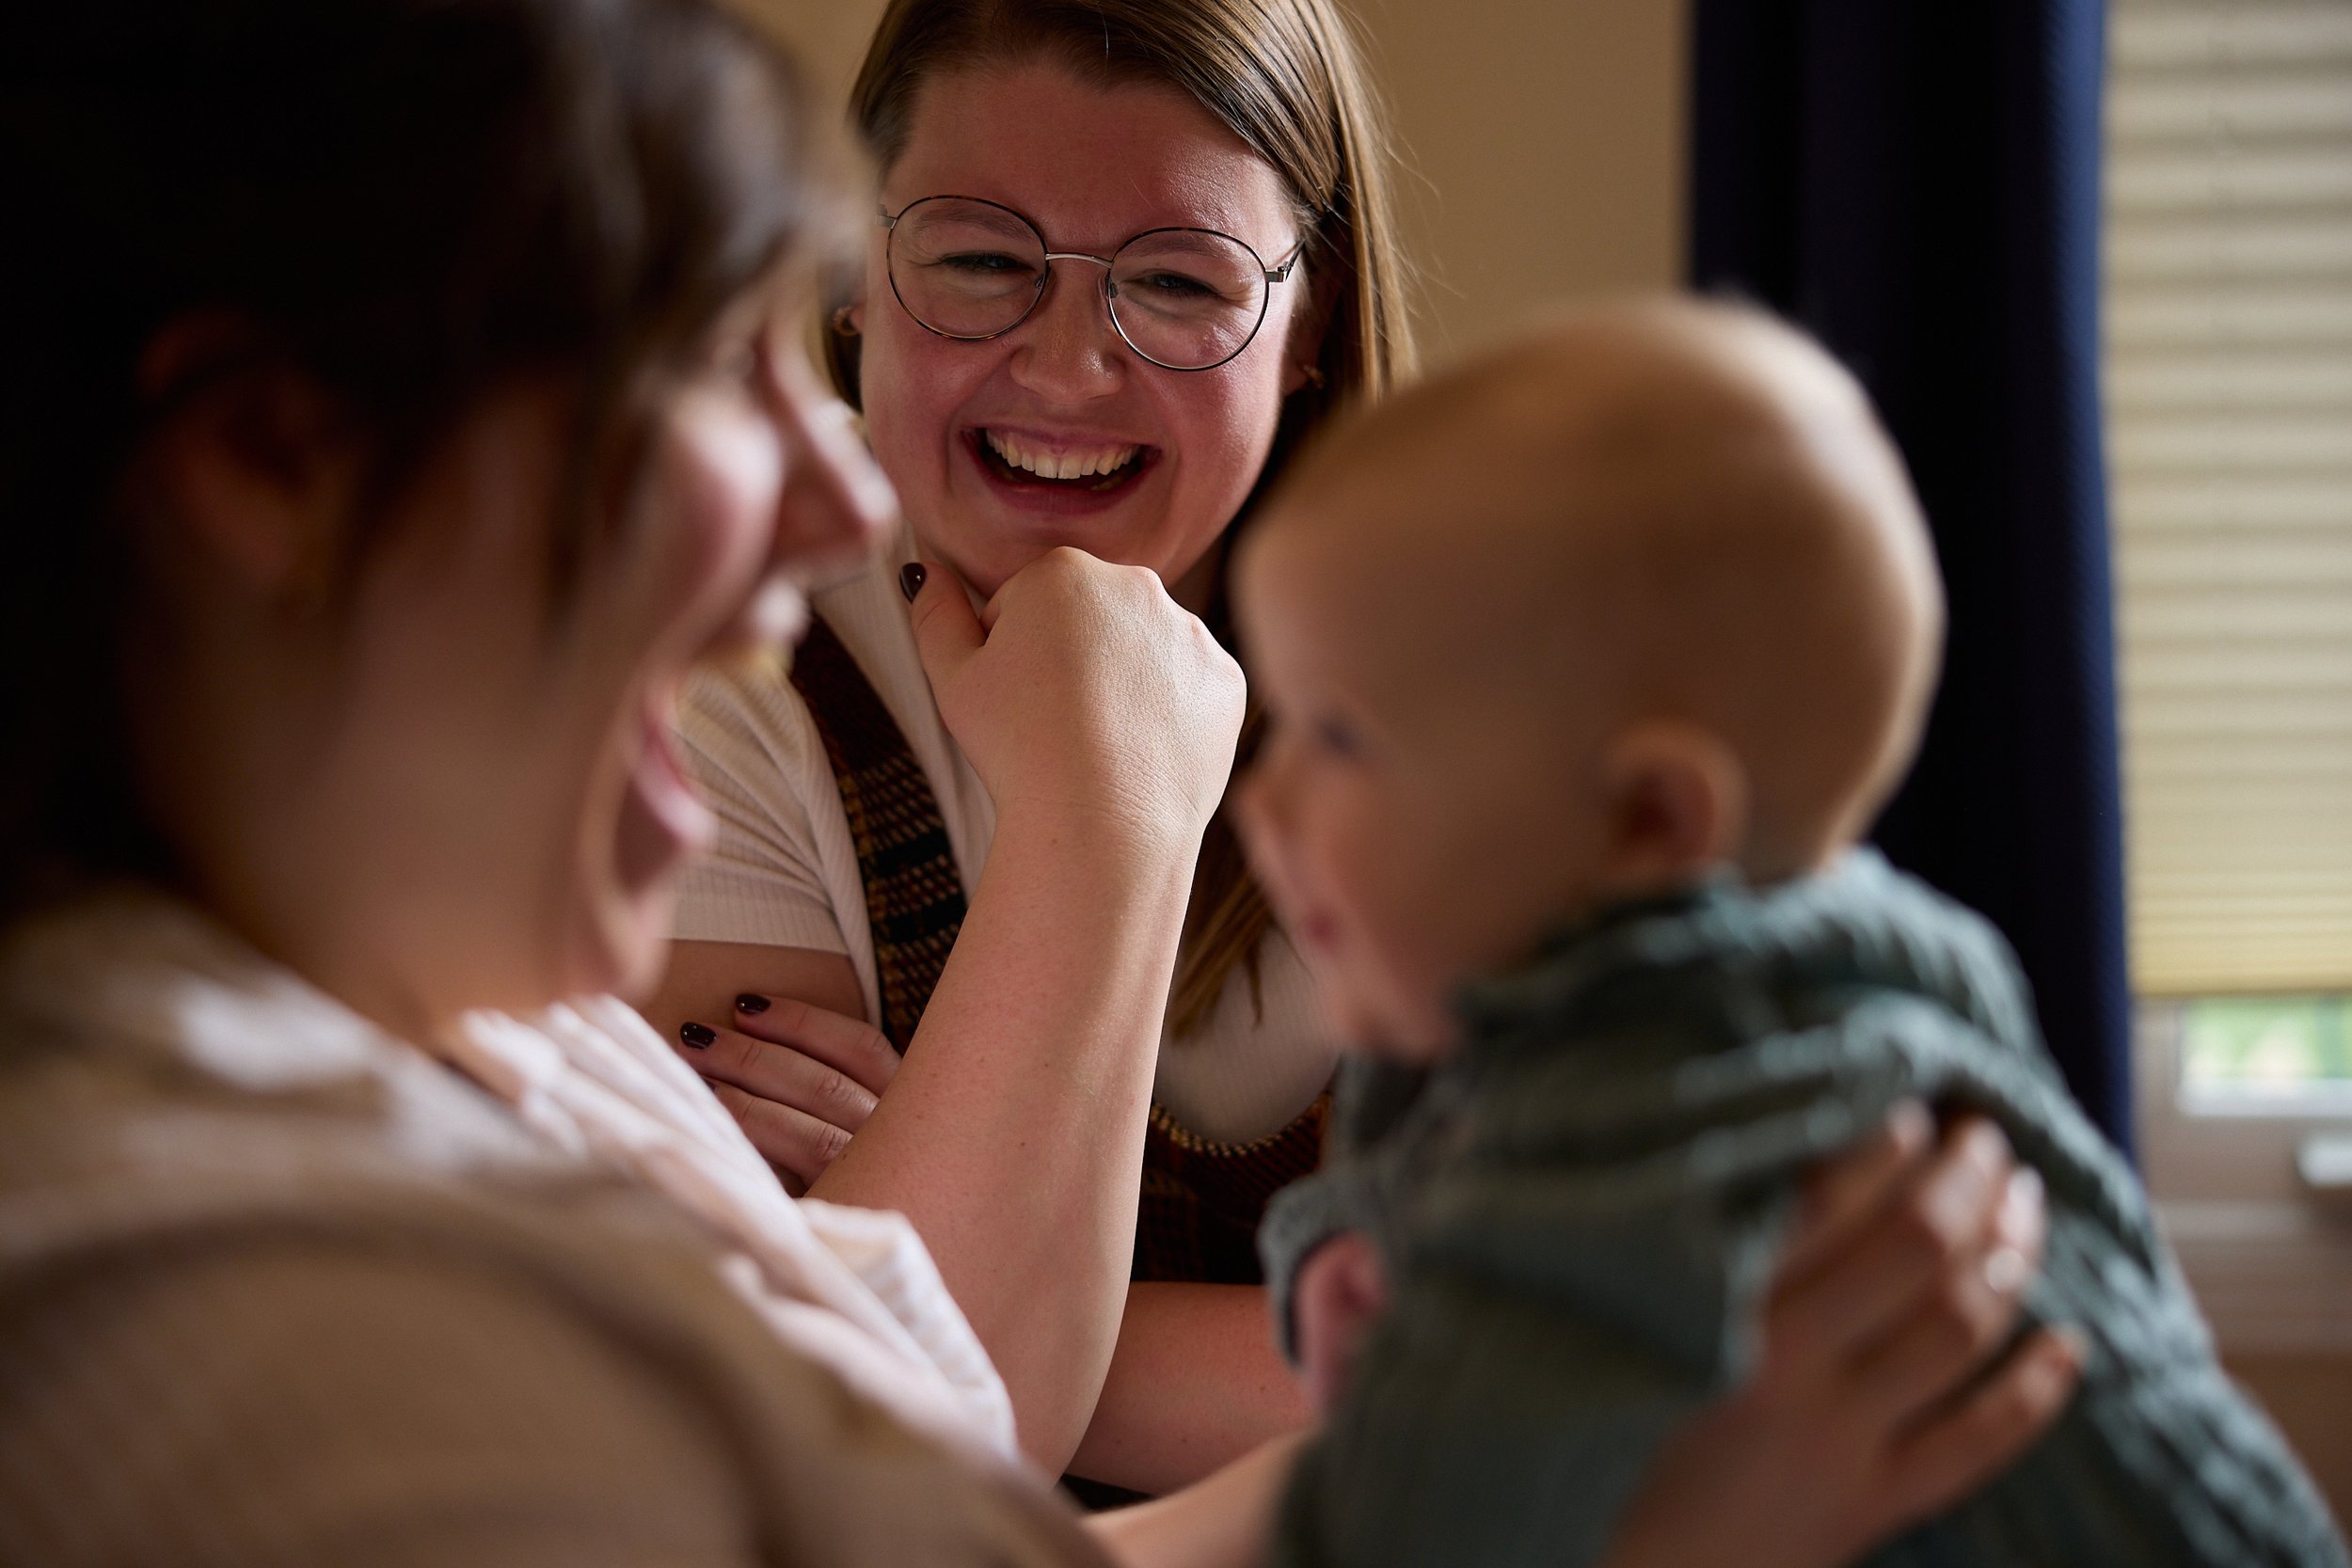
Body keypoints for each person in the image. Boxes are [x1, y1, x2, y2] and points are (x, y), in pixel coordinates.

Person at [648, 0, 2082, 1513]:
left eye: (1180, 282)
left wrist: (937, 1228)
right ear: (855, 274)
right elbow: (852, 1439)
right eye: (980, 261)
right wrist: (1107, 809)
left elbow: (1705, 1306)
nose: (1067, 366)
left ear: (1312, 316)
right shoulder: (715, 686)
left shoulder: (1530, 666)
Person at [0, 1, 1111, 1560]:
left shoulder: (512, 1019)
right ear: (273, 456)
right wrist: (1105, 838)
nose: (845, 493)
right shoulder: (267, 1341)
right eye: (722, 362)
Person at [1232, 298, 2349, 1568]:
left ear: (1650, 819)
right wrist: (1350, 1252)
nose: (1265, 800)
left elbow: (1385, 1533)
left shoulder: (1643, 1121)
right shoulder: (1866, 952)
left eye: (1340, 737)